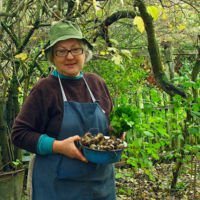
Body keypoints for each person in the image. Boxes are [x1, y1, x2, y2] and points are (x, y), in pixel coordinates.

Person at [11, 20, 119, 200]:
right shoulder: (45, 89)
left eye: (76, 49)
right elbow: (19, 134)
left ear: (85, 53)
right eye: (61, 51)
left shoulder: (97, 83)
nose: (69, 56)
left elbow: (110, 126)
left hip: (100, 185)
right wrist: (58, 146)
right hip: (58, 187)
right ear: (52, 57)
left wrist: (118, 131)